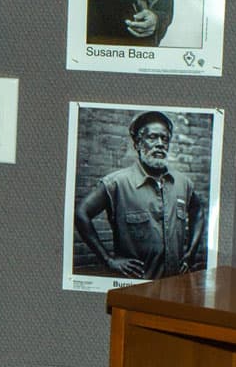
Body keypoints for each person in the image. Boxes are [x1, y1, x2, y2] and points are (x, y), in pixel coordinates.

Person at [73, 110, 206, 282]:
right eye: (152, 137)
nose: (160, 143)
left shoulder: (183, 183)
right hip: (136, 289)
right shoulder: (117, 183)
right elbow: (81, 213)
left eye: (164, 138)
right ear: (137, 143)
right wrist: (108, 260)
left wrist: (190, 254)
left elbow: (198, 211)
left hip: (175, 286)